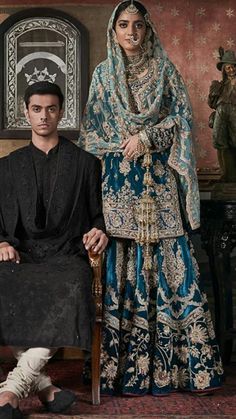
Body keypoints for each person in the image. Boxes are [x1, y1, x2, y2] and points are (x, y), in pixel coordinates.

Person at [79, 0, 223, 396]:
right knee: (120, 269)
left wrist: (149, 137)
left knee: (171, 267)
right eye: (123, 25)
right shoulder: (103, 76)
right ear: (113, 30)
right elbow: (91, 135)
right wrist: (120, 147)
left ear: (148, 30)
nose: (131, 32)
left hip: (158, 187)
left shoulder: (165, 71)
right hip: (117, 186)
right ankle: (119, 369)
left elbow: (182, 121)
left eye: (138, 25)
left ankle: (176, 371)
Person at [0, 81, 108, 418]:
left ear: (61, 111)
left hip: (67, 255)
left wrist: (100, 231)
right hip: (23, 253)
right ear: (26, 112)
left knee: (75, 283)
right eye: (36, 109)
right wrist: (2, 242)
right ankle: (44, 387)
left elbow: (98, 215)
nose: (44, 115)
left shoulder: (86, 163)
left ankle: (12, 388)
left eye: (51, 108)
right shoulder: (7, 165)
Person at [208, 48, 236, 182]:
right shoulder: (219, 85)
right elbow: (212, 104)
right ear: (224, 69)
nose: (231, 70)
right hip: (221, 113)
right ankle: (227, 174)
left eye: (233, 67)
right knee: (221, 142)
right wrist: (213, 94)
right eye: (228, 68)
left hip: (234, 113)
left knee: (234, 142)